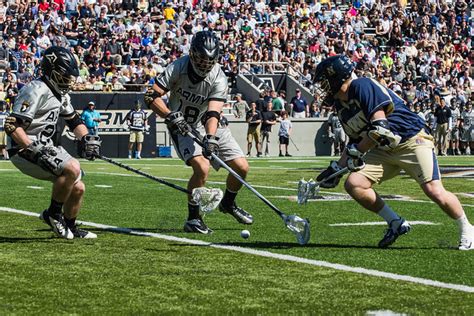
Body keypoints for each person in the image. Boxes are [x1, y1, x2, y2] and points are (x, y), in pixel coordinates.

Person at [312, 55, 473, 250]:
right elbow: (356, 140)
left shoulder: (361, 85)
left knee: (434, 191)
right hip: (383, 147)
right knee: (354, 184)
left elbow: (381, 128)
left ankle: (467, 228)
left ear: (336, 77)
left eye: (324, 82)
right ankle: (395, 223)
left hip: (411, 140)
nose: (323, 88)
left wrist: (355, 153)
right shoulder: (341, 105)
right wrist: (336, 168)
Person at [144, 31, 253, 234]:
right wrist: (169, 115)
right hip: (181, 124)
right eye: (201, 59)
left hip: (207, 122)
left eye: (209, 60)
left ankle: (228, 203)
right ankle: (193, 219)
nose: (204, 64)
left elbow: (213, 112)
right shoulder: (178, 66)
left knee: (241, 167)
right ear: (193, 54)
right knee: (202, 168)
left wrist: (210, 138)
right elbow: (151, 96)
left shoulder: (219, 77)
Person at [4, 46, 101, 239]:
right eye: (64, 75)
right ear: (51, 71)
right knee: (72, 167)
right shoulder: (36, 90)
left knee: (79, 186)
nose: (69, 80)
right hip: (24, 148)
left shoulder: (61, 94)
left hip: (45, 146)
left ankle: (70, 226)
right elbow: (13, 127)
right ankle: (54, 214)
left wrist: (87, 139)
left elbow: (74, 120)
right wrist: (34, 150)